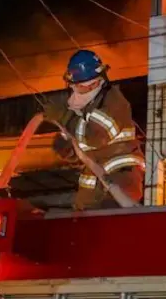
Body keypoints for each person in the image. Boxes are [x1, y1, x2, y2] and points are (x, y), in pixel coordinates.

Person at [45, 50, 145, 210]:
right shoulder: (80, 109)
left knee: (112, 220)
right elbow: (84, 148)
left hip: (121, 177)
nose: (88, 89)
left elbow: (94, 136)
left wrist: (64, 116)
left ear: (102, 79)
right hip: (92, 185)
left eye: (93, 84)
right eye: (82, 87)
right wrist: (67, 149)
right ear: (72, 85)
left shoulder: (114, 102)